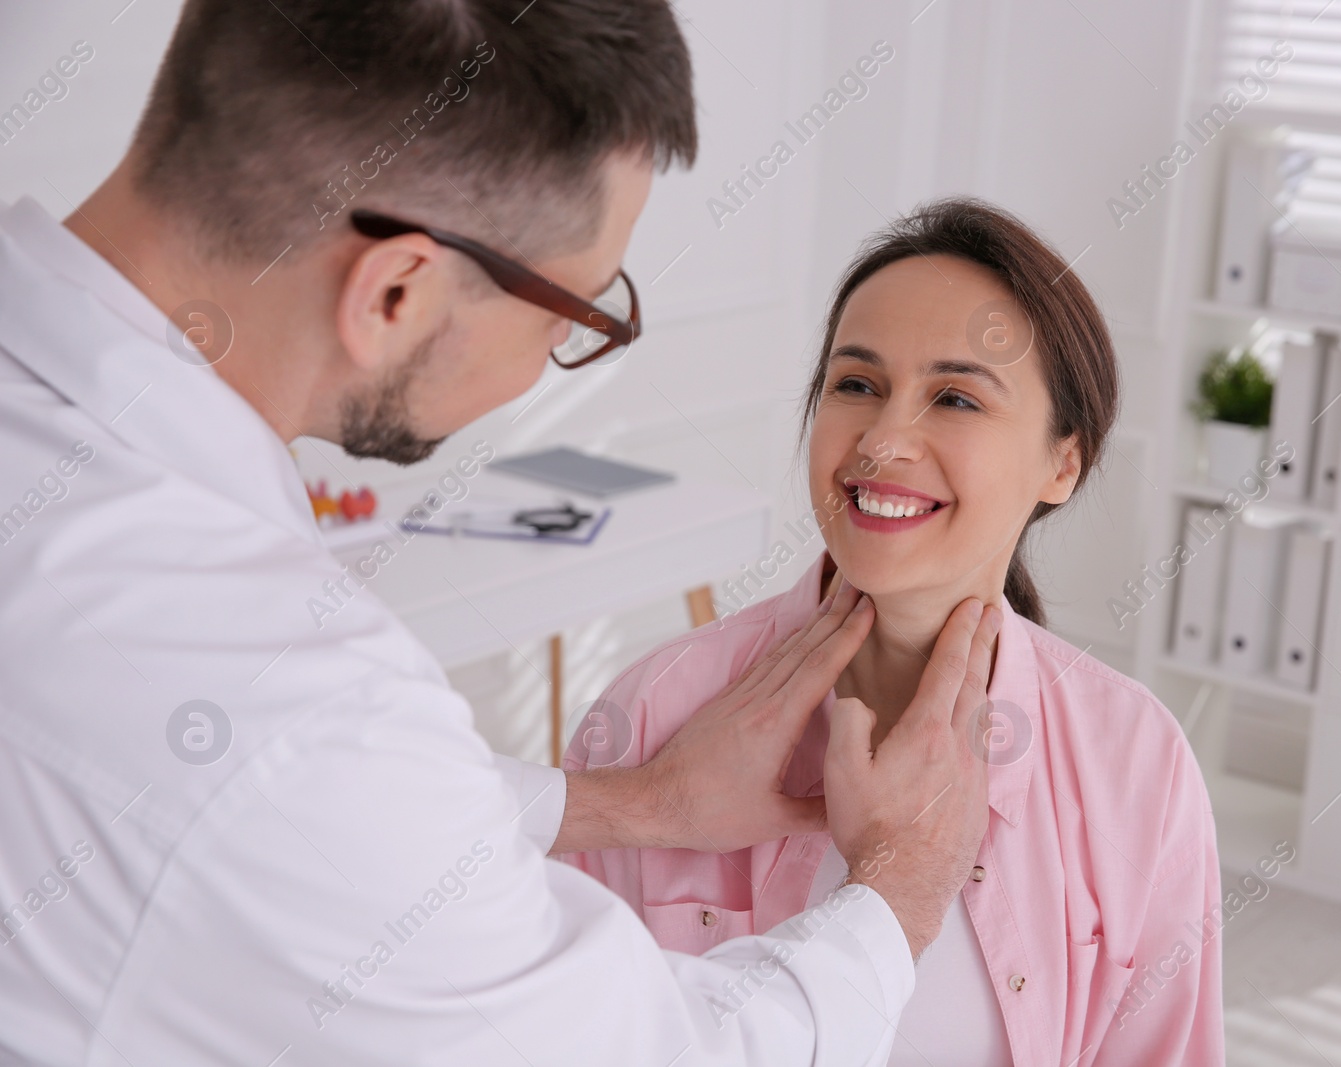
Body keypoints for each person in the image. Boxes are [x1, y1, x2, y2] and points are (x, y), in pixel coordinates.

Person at [0, 3, 1000, 1064]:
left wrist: (634, 803)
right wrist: (897, 883)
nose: (553, 357)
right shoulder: (288, 706)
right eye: (571, 315)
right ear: (395, 291)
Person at [561, 199, 1226, 1065]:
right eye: (856, 384)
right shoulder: (654, 713)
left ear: (1062, 462)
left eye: (954, 397)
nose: (881, 440)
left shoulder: (1135, 759)